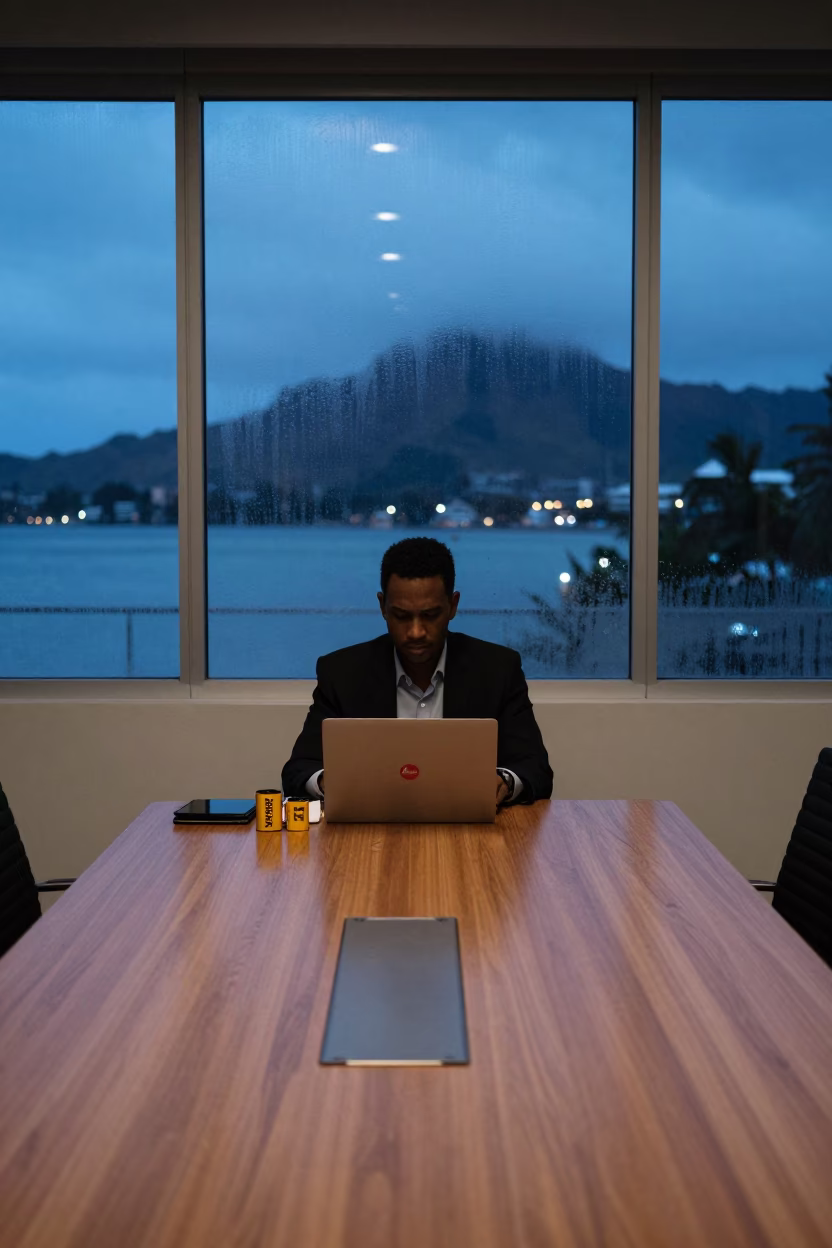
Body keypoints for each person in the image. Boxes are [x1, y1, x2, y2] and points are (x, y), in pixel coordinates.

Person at [282, 536, 553, 808]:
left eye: (430, 615)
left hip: (470, 834)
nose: (415, 632)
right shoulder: (342, 673)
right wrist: (328, 782)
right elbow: (298, 770)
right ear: (382, 607)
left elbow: (536, 770)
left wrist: (504, 782)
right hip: (371, 836)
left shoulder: (497, 669)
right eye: (401, 616)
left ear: (453, 606)